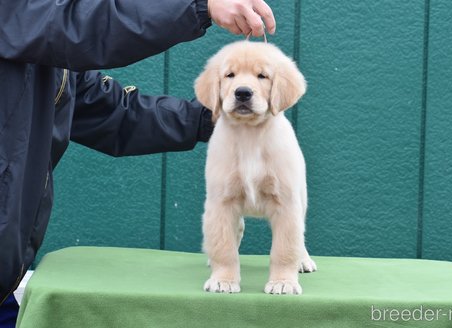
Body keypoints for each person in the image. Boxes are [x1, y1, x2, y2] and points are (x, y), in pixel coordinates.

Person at [0, 0, 276, 326]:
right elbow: (79, 27)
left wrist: (215, 116)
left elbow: (117, 114)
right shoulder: (24, 16)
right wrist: (200, 6)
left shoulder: (47, 55)